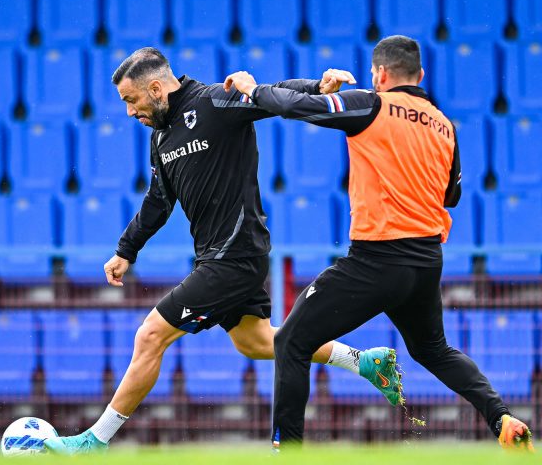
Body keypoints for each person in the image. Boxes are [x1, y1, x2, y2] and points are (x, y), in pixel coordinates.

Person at [44, 47, 403, 455]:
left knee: (150, 336)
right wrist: (127, 249)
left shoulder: (214, 101)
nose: (129, 112)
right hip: (223, 258)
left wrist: (316, 87)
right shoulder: (161, 136)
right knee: (256, 342)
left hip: (234, 257)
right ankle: (365, 361)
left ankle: (95, 441)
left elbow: (270, 93)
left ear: (157, 88)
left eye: (132, 100)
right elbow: (159, 201)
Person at [224, 35, 535, 451]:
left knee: (291, 341)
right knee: (434, 350)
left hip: (376, 260)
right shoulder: (445, 125)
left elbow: (295, 107)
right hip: (426, 261)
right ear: (420, 75)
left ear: (380, 74)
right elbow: (451, 197)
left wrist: (253, 89)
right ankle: (501, 417)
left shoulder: (370, 103)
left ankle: (288, 453)